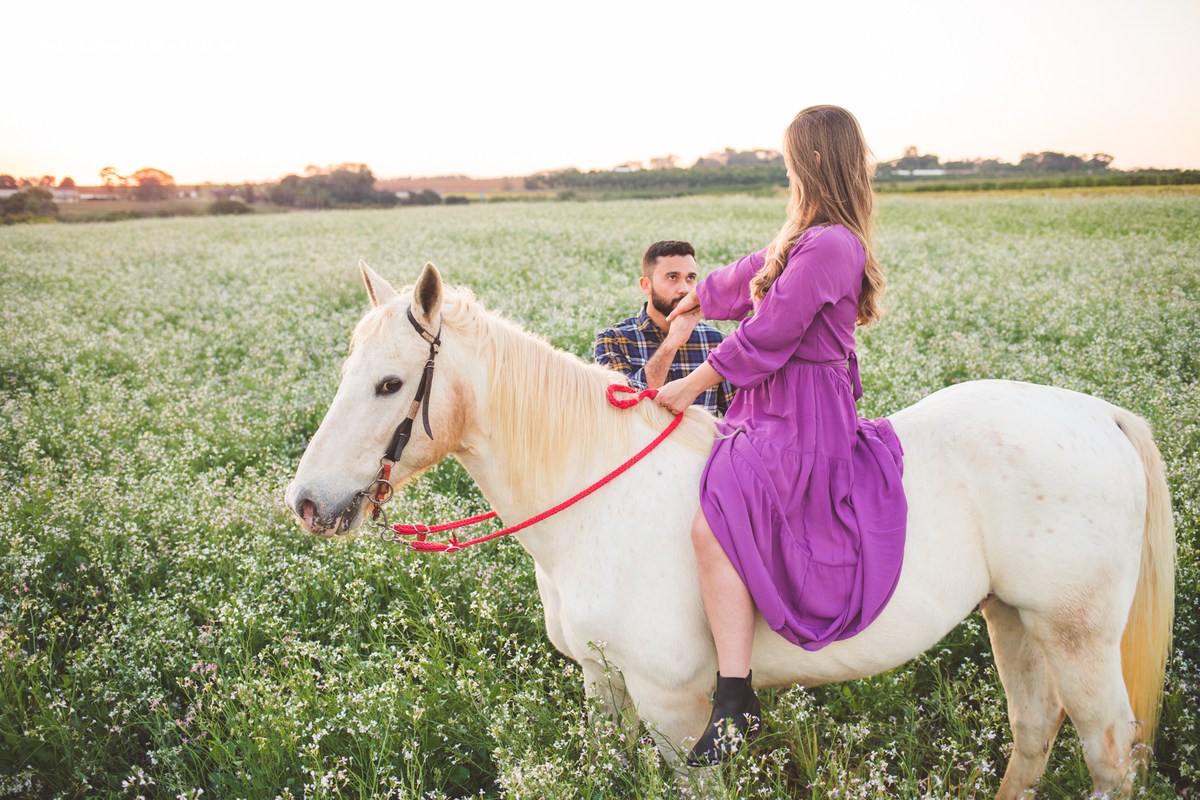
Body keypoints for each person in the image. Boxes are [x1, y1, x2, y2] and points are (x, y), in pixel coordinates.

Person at [654, 106, 908, 765]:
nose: (787, 169)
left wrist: (690, 383)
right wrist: (698, 297)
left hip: (804, 415)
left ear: (815, 162)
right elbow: (753, 272)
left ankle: (735, 696)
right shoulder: (810, 235)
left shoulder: (831, 245)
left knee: (711, 527)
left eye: (793, 157)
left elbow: (773, 331)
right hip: (770, 404)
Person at [595, 240, 735, 417]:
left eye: (690, 278)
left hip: (699, 445)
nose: (685, 289)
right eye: (672, 278)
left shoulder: (716, 341)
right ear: (646, 285)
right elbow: (625, 409)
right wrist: (672, 343)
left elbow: (737, 417)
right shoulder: (613, 340)